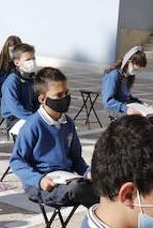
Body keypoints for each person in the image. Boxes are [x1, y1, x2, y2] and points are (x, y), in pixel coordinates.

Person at [8, 67, 98, 209]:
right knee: (81, 190)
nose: (65, 98)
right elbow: (17, 161)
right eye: (59, 95)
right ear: (43, 99)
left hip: (67, 180)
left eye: (67, 93)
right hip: (41, 186)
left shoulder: (68, 123)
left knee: (103, 184)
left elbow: (76, 158)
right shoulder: (33, 125)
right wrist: (39, 180)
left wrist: (87, 173)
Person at [102, 46, 153, 125]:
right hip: (116, 109)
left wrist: (141, 103)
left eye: (138, 70)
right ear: (128, 62)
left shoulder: (128, 76)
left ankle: (150, 137)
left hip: (126, 105)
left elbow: (127, 97)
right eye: (135, 69)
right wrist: (127, 109)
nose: (136, 72)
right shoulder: (114, 75)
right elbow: (108, 101)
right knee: (139, 120)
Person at [0, 43, 39, 129]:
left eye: (33, 59)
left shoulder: (31, 78)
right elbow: (13, 105)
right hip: (15, 119)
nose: (32, 62)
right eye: (28, 60)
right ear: (17, 62)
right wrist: (32, 118)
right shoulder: (12, 80)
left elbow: (36, 100)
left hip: (30, 116)